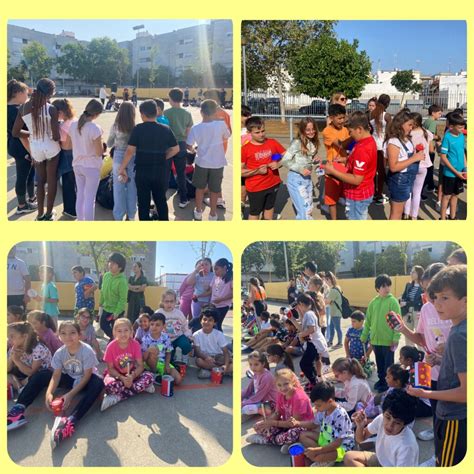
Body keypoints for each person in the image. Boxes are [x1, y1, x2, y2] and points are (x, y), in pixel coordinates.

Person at [407, 265, 466, 467]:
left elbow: (465, 393)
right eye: (435, 297)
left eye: (444, 298)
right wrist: (442, 360)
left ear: (466, 300)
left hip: (453, 416)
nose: (436, 303)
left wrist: (425, 394)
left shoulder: (459, 335)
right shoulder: (461, 329)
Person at [45, 321, 104, 449]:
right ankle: (19, 407)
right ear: (59, 335)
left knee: (98, 383)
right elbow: (56, 376)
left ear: (79, 335)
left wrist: (70, 395)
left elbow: (87, 376)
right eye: (63, 333)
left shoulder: (86, 351)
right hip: (70, 379)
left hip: (85, 380)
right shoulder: (60, 353)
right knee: (43, 374)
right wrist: (49, 393)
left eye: (72, 333)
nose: (68, 337)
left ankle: (70, 421)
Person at [118, 100, 179, 221]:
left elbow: (130, 151)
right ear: (156, 112)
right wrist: (163, 157)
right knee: (160, 200)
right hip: (160, 171)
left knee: (143, 201)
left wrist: (122, 167)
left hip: (143, 171)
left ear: (142, 114)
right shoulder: (165, 129)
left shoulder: (138, 129)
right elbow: (176, 149)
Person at [12, 78, 61, 221]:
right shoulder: (51, 109)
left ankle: (39, 215)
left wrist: (32, 133)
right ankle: (49, 213)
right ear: (51, 93)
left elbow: (15, 133)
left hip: (36, 148)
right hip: (51, 148)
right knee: (51, 180)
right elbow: (56, 136)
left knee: (40, 181)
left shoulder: (23, 108)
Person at [344, 389, 419, 466]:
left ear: (405, 424)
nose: (390, 425)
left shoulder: (407, 447)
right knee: (348, 457)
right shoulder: (381, 419)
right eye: (388, 417)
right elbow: (360, 439)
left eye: (397, 422)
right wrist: (360, 425)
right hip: (380, 460)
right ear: (383, 412)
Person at [324, 112, 377, 220]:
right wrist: (345, 159)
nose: (350, 135)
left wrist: (333, 171)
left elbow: (356, 180)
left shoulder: (362, 149)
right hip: (365, 191)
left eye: (350, 132)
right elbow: (365, 162)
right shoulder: (368, 141)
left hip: (357, 196)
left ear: (359, 129)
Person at [186, 99, 231, 220]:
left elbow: (189, 145)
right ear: (215, 112)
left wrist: (194, 150)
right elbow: (227, 135)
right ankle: (213, 214)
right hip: (218, 163)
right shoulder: (221, 124)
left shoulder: (196, 128)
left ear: (201, 112)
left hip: (201, 162)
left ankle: (199, 210)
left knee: (199, 188)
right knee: (214, 190)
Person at [245, 368, 313, 446]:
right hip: (285, 424)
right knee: (259, 426)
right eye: (279, 385)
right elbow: (277, 413)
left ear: (293, 382)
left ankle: (268, 440)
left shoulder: (299, 398)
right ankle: (286, 441)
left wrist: (272, 423)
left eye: (286, 384)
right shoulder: (281, 394)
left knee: (292, 433)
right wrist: (266, 422)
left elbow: (293, 423)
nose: (283, 388)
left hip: (301, 426)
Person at [101, 318, 155, 411]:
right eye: (119, 331)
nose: (123, 334)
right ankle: (139, 388)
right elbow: (110, 369)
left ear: (131, 331)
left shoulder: (135, 344)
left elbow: (140, 365)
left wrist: (132, 376)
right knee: (109, 386)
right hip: (118, 376)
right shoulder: (110, 347)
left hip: (133, 374)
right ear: (114, 333)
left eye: (126, 330)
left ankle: (118, 397)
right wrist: (122, 378)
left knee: (150, 376)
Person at [296, 381, 355, 467]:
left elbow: (337, 443)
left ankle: (325, 458)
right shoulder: (323, 409)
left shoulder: (340, 415)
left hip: (341, 448)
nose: (315, 408)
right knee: (303, 435)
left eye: (318, 405)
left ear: (330, 401)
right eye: (315, 405)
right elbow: (314, 424)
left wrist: (317, 450)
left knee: (316, 457)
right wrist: (298, 423)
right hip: (326, 439)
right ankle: (318, 454)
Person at [7, 322, 52, 431]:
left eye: (12, 336)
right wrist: (12, 358)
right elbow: (6, 369)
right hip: (25, 371)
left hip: (42, 375)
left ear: (25, 336)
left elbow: (32, 372)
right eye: (8, 337)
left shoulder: (38, 348)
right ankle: (20, 387)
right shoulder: (14, 347)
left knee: (36, 377)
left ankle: (17, 411)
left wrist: (17, 360)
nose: (9, 339)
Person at [360, 274, 401, 392]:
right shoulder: (373, 302)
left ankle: (390, 384)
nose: (387, 288)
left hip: (388, 340)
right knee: (379, 363)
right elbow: (368, 321)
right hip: (375, 340)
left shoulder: (393, 302)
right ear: (377, 288)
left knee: (389, 365)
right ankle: (381, 380)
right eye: (383, 286)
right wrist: (364, 335)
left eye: (388, 285)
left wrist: (396, 337)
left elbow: (398, 321)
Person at [66, 98, 104, 221]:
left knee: (80, 195)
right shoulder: (95, 128)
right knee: (90, 199)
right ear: (97, 114)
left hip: (77, 164)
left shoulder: (73, 125)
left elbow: (67, 145)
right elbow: (99, 152)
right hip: (92, 166)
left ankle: (81, 221)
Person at [241, 116, 285, 220]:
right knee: (254, 213)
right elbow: (240, 172)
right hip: (255, 187)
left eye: (263, 131)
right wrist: (257, 171)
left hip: (273, 183)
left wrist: (278, 163)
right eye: (257, 132)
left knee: (269, 209)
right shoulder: (245, 149)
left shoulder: (272, 142)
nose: (261, 134)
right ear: (249, 132)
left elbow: (284, 155)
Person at [384, 110, 424, 220]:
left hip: (407, 179)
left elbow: (404, 158)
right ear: (400, 124)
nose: (411, 128)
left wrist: (417, 154)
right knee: (396, 213)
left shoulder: (406, 139)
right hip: (399, 181)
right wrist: (414, 158)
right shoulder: (394, 142)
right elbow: (393, 167)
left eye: (412, 125)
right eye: (409, 125)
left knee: (399, 210)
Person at [279, 117, 321, 220]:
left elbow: (306, 161)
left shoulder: (312, 142)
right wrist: (300, 169)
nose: (311, 132)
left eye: (313, 129)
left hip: (307, 180)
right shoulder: (297, 143)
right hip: (296, 179)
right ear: (302, 130)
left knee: (309, 209)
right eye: (308, 130)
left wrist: (314, 160)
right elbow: (285, 160)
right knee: (305, 212)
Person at [7, 79, 36, 214]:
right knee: (23, 177)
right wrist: (31, 152)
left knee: (27, 174)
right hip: (22, 147)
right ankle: (22, 206)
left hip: (14, 146)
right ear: (17, 93)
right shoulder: (17, 110)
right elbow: (21, 135)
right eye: (26, 93)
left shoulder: (7, 108)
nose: (27, 96)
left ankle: (30, 199)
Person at [107, 101, 137, 221]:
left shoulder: (115, 126)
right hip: (132, 158)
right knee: (132, 188)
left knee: (118, 189)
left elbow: (109, 143)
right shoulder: (135, 127)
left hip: (119, 158)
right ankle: (131, 215)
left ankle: (118, 216)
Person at [164, 88, 194, 209]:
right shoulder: (187, 114)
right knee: (181, 173)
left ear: (170, 98)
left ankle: (161, 200)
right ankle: (183, 199)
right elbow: (188, 131)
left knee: (165, 173)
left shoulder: (166, 113)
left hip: (168, 145)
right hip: (181, 144)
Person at [322, 104, 352, 220]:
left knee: (346, 196)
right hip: (333, 169)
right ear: (331, 118)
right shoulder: (327, 131)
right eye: (339, 118)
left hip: (345, 167)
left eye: (343, 118)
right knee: (332, 199)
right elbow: (340, 144)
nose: (342, 121)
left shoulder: (345, 129)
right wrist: (354, 136)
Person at [295, 293, 330, 391]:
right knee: (310, 363)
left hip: (314, 343)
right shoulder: (309, 313)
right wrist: (292, 319)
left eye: (298, 305)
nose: (298, 308)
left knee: (304, 364)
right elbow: (302, 328)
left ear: (301, 303)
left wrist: (300, 335)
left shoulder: (309, 314)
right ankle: (315, 381)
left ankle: (314, 383)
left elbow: (311, 329)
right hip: (314, 342)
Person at [403, 113, 433, 219]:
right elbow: (432, 143)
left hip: (411, 164)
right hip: (424, 166)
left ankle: (406, 213)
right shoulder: (426, 133)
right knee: (417, 192)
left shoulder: (409, 134)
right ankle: (414, 216)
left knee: (408, 190)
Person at [51, 98, 77, 219]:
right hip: (78, 155)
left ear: (60, 112)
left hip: (67, 155)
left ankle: (70, 211)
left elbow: (65, 145)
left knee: (68, 185)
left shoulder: (63, 126)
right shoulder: (75, 121)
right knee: (77, 184)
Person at [141, 312, 183, 385]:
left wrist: (167, 365)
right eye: (152, 324)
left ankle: (159, 376)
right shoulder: (145, 338)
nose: (154, 327)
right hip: (149, 363)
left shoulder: (165, 337)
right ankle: (154, 374)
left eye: (157, 325)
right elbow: (143, 358)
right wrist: (149, 350)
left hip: (162, 363)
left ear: (163, 326)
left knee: (178, 380)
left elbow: (168, 352)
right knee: (153, 349)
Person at [439, 113, 467, 220]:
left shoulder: (461, 136)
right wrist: (456, 172)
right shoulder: (447, 137)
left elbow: (462, 152)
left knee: (456, 195)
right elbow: (443, 157)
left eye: (463, 126)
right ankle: (442, 218)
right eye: (459, 127)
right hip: (450, 174)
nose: (462, 129)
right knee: (446, 197)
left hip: (461, 173)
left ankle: (453, 217)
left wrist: (465, 168)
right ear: (451, 126)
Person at [193, 308, 232, 378]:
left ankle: (213, 371)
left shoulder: (219, 334)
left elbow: (225, 352)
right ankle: (220, 371)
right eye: (204, 319)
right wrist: (206, 357)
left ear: (215, 323)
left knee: (234, 364)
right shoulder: (196, 335)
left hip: (219, 357)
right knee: (198, 361)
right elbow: (197, 352)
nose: (207, 322)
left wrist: (225, 365)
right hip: (206, 358)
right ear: (201, 321)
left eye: (210, 320)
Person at [156, 289, 192, 361]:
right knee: (169, 360)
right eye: (167, 301)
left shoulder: (179, 313)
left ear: (175, 302)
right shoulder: (159, 313)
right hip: (165, 339)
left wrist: (188, 335)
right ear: (162, 302)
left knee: (187, 345)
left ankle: (184, 359)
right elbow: (154, 326)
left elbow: (185, 325)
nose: (169, 304)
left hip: (178, 337)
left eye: (171, 301)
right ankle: (172, 355)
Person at [99, 252, 129, 340]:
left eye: (113, 263)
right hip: (106, 308)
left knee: (117, 329)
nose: (110, 265)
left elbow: (123, 299)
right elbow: (103, 290)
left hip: (116, 311)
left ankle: (115, 341)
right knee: (103, 325)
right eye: (110, 262)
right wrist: (101, 302)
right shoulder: (106, 276)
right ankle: (114, 339)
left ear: (120, 267)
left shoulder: (122, 281)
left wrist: (116, 312)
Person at [370, 94, 392, 205]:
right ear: (387, 103)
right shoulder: (387, 116)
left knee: (373, 171)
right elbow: (389, 132)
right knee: (382, 171)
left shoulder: (372, 114)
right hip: (382, 146)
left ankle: (373, 192)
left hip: (372, 145)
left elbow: (370, 130)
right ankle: (379, 195)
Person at [241, 351, 279, 415]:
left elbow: (259, 395)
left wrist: (244, 403)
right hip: (259, 397)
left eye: (256, 364)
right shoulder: (256, 373)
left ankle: (263, 410)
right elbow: (249, 389)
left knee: (245, 409)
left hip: (269, 402)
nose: (253, 367)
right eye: (250, 364)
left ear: (263, 364)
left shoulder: (266, 377)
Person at [399, 265, 424, 343]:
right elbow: (404, 296)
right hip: (407, 312)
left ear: (419, 273)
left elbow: (421, 300)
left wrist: (407, 303)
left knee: (419, 334)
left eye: (413, 272)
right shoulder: (408, 284)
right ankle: (410, 354)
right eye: (411, 272)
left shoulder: (423, 286)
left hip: (418, 312)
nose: (411, 273)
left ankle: (421, 353)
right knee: (408, 335)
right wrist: (400, 301)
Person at [422, 104, 443, 195]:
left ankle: (430, 185)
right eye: (439, 113)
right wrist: (438, 137)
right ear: (433, 113)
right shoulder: (433, 122)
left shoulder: (427, 121)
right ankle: (425, 188)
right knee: (429, 168)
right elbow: (430, 136)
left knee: (428, 168)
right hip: (429, 149)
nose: (440, 115)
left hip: (425, 148)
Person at [210, 258, 233, 331]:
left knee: (217, 324)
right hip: (213, 305)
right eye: (214, 270)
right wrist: (199, 295)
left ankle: (220, 341)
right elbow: (210, 290)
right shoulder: (215, 277)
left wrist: (221, 299)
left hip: (223, 306)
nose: (215, 272)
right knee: (213, 325)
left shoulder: (231, 278)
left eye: (217, 269)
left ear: (224, 268)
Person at [325, 271, 343, 347]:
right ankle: (330, 341)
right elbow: (330, 301)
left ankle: (340, 343)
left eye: (326, 280)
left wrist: (326, 299)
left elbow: (326, 301)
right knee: (332, 328)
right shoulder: (337, 287)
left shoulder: (333, 290)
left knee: (337, 328)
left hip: (336, 313)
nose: (325, 282)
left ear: (329, 279)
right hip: (334, 312)